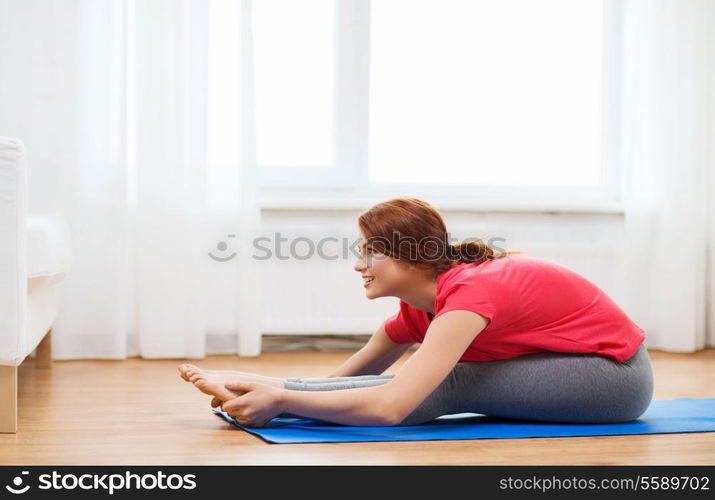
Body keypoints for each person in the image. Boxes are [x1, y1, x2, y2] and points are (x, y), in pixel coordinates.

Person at [178, 197, 653, 427]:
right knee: (425, 375)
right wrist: (265, 386)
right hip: (574, 366)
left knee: (452, 378)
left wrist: (281, 401)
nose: (358, 265)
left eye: (370, 253)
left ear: (409, 255)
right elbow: (342, 384)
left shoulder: (469, 295)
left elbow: (392, 407)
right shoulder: (418, 309)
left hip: (615, 378)